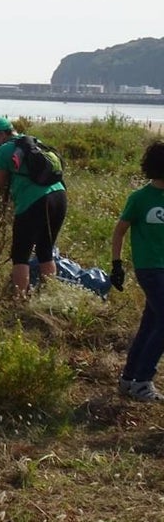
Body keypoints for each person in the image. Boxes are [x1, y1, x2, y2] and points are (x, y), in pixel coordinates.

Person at [0, 117, 67, 294]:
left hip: (34, 201)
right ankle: (49, 294)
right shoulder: (34, 141)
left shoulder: (5, 150)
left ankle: (19, 298)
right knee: (45, 250)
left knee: (20, 255)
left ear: (0, 135)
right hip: (59, 196)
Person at [110, 141, 164, 402]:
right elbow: (120, 230)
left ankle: (128, 380)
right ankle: (143, 381)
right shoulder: (141, 198)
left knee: (150, 324)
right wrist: (116, 264)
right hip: (150, 270)